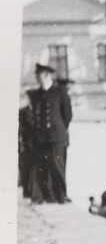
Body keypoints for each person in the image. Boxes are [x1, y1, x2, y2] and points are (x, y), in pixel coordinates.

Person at [26, 63, 72, 204]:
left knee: (57, 166)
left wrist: (59, 130)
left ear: (46, 75)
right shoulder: (36, 94)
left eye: (38, 74)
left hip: (56, 136)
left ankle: (61, 196)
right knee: (41, 167)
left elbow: (67, 115)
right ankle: (45, 196)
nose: (36, 77)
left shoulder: (59, 92)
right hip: (41, 137)